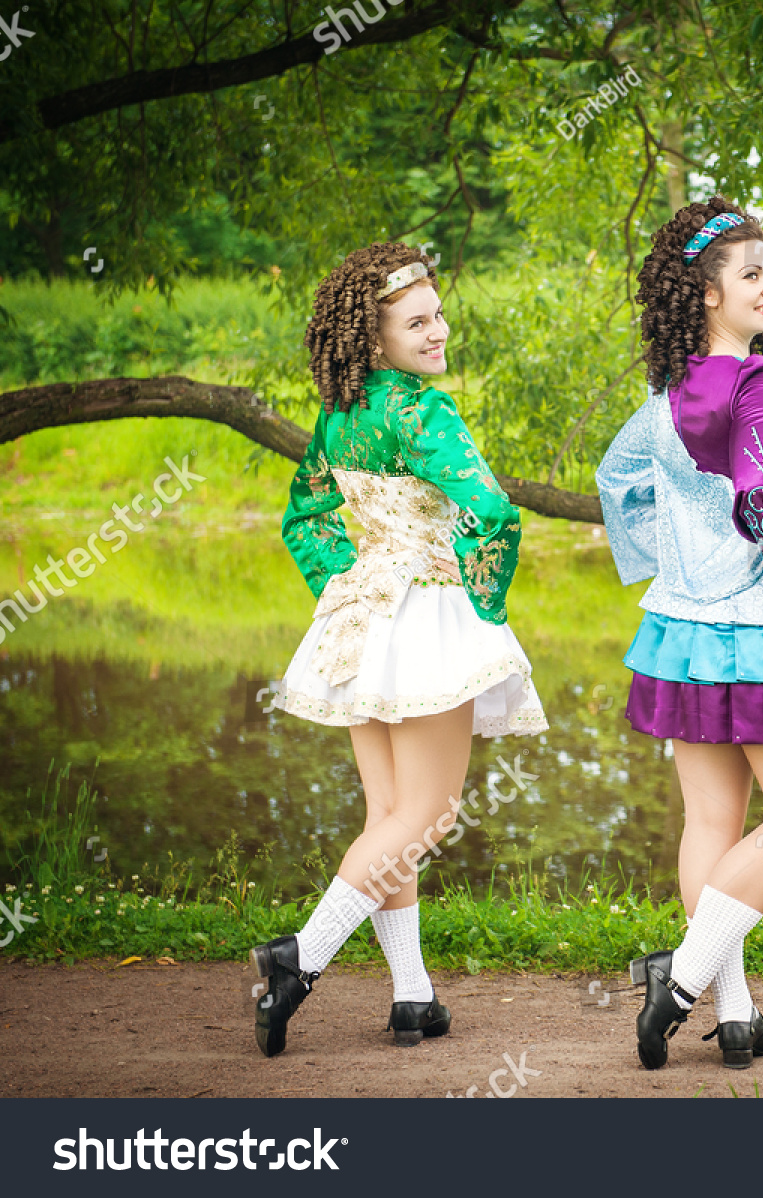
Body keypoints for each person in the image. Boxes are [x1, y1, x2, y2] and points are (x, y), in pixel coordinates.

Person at [254, 242, 547, 1057]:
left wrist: (344, 585)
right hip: (425, 615)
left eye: (439, 314)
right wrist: (481, 597)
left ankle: (412, 994)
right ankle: (299, 958)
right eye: (417, 322)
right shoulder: (423, 412)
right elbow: (491, 508)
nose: (438, 331)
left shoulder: (340, 413)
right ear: (373, 339)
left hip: (364, 618)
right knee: (428, 814)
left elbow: (305, 517)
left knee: (389, 816)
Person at [596, 198, 763, 1070]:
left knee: (712, 818)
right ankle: (681, 981)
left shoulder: (672, 391)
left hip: (683, 626)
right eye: (752, 273)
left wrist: (673, 558)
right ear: (708, 293)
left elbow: (618, 473)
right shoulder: (756, 382)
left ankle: (737, 1013)